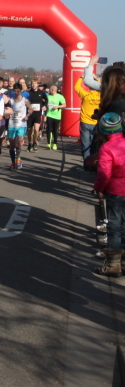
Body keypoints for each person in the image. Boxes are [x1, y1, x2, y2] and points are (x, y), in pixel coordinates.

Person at [94, 113, 125, 277]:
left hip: (115, 190)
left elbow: (104, 174)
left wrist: (99, 188)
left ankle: (113, 265)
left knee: (114, 226)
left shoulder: (107, 148)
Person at [74, 70, 101, 164]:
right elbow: (105, 86)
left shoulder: (85, 95)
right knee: (94, 144)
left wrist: (81, 77)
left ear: (89, 87)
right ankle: (93, 163)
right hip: (96, 122)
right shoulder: (101, 96)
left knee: (85, 144)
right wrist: (96, 78)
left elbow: (76, 87)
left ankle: (86, 164)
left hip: (85, 122)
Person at [7, 84, 33, 170]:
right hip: (12, 124)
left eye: (18, 91)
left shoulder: (24, 100)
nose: (16, 92)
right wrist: (7, 114)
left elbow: (31, 109)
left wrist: (27, 115)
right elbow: (7, 110)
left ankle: (18, 159)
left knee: (18, 143)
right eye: (15, 91)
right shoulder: (11, 100)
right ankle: (12, 162)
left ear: (21, 91)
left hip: (21, 124)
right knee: (12, 144)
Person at [25, 79, 47, 152]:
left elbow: (46, 100)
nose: (33, 85)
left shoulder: (41, 92)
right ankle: (29, 144)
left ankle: (35, 142)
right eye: (32, 83)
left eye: (35, 83)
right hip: (30, 114)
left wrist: (45, 106)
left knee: (36, 129)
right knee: (30, 130)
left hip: (38, 113)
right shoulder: (28, 93)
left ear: (37, 85)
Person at [45, 85, 66, 150]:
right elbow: (46, 104)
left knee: (55, 130)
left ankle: (55, 143)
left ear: (53, 90)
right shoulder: (48, 96)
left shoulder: (60, 96)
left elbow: (64, 105)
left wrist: (57, 107)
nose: (49, 91)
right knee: (49, 129)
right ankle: (48, 143)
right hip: (49, 114)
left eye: (50, 89)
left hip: (57, 116)